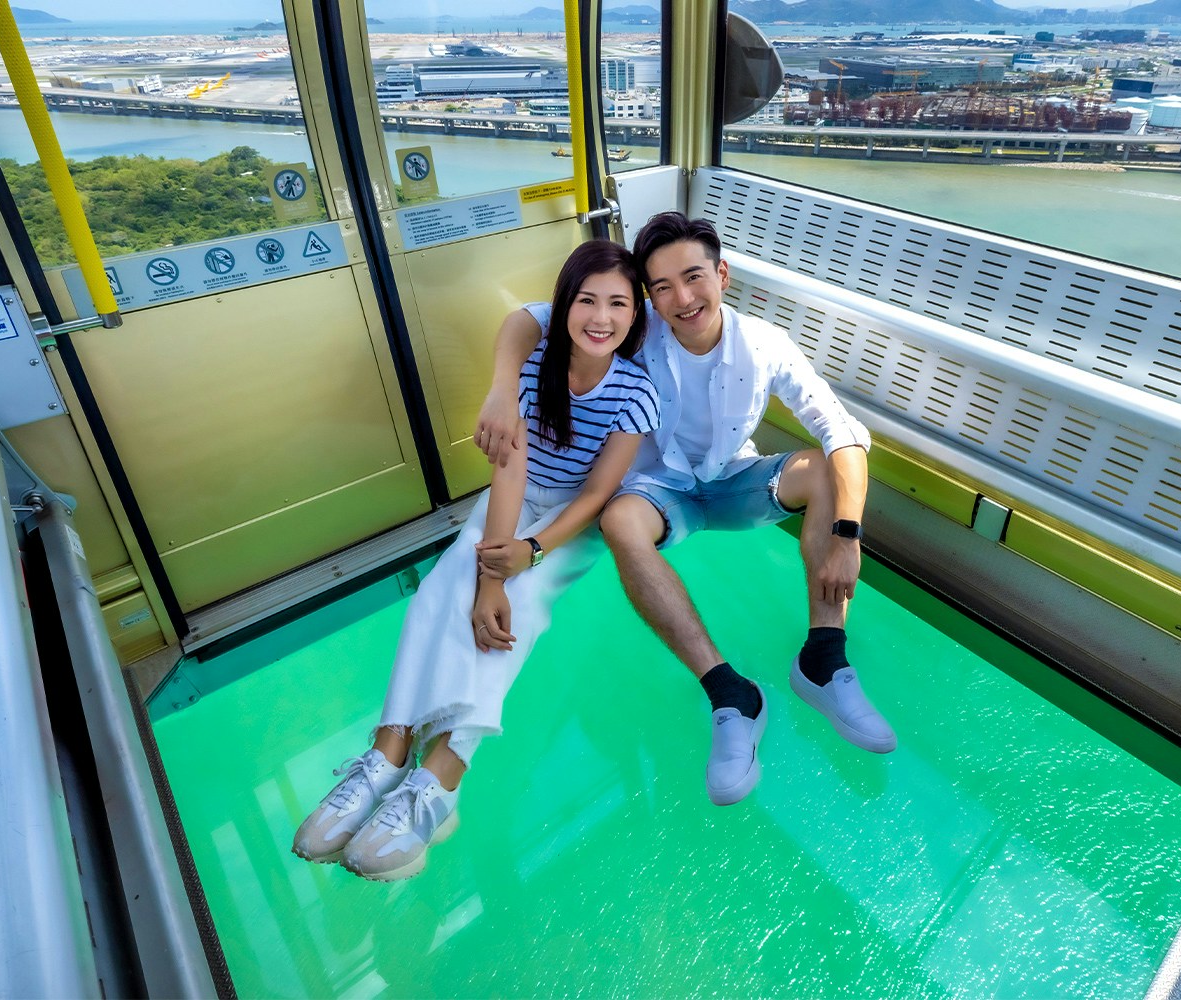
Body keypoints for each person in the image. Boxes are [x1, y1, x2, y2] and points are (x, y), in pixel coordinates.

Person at [474, 212, 894, 807]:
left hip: (734, 480)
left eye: (694, 277)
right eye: (662, 287)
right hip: (663, 488)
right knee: (618, 519)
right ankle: (730, 694)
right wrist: (499, 386)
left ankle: (824, 658)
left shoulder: (766, 344)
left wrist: (848, 536)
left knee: (824, 470)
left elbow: (841, 434)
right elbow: (531, 319)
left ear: (722, 274)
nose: (682, 298)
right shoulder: (635, 327)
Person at [293, 240, 658, 880]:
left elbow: (599, 494)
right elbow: (510, 466)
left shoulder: (635, 391)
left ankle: (444, 777)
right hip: (510, 503)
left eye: (618, 305)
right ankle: (389, 750)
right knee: (441, 595)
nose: (600, 317)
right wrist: (494, 563)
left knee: (514, 618)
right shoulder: (535, 360)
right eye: (587, 300)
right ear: (562, 305)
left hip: (567, 526)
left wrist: (530, 554)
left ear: (636, 317)